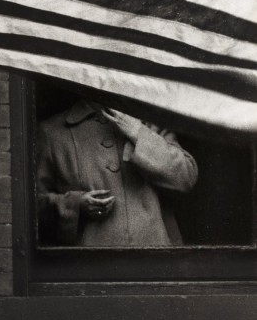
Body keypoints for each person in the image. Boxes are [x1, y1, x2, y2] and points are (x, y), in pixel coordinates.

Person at [36, 98, 198, 248]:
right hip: (89, 265)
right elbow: (31, 207)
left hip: (155, 261)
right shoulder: (52, 132)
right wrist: (75, 205)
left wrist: (139, 133)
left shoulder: (149, 123)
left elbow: (186, 177)